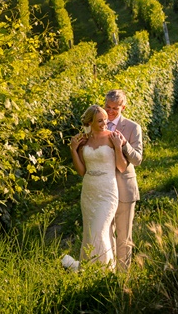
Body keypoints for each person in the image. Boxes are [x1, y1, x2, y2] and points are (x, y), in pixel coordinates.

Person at [62, 104, 128, 270]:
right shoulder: (84, 141)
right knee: (90, 233)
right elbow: (82, 171)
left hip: (107, 191)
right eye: (99, 121)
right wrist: (73, 150)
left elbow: (122, 167)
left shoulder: (113, 137)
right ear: (89, 122)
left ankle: (104, 271)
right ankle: (89, 271)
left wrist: (118, 147)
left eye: (105, 119)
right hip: (89, 192)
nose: (104, 123)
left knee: (100, 231)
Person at [104, 89, 143, 270]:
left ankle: (123, 276)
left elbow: (138, 159)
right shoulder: (97, 124)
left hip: (124, 187)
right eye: (108, 107)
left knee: (123, 235)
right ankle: (108, 272)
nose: (110, 112)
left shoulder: (133, 127)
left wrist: (124, 144)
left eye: (115, 108)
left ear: (123, 108)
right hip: (102, 188)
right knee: (105, 233)